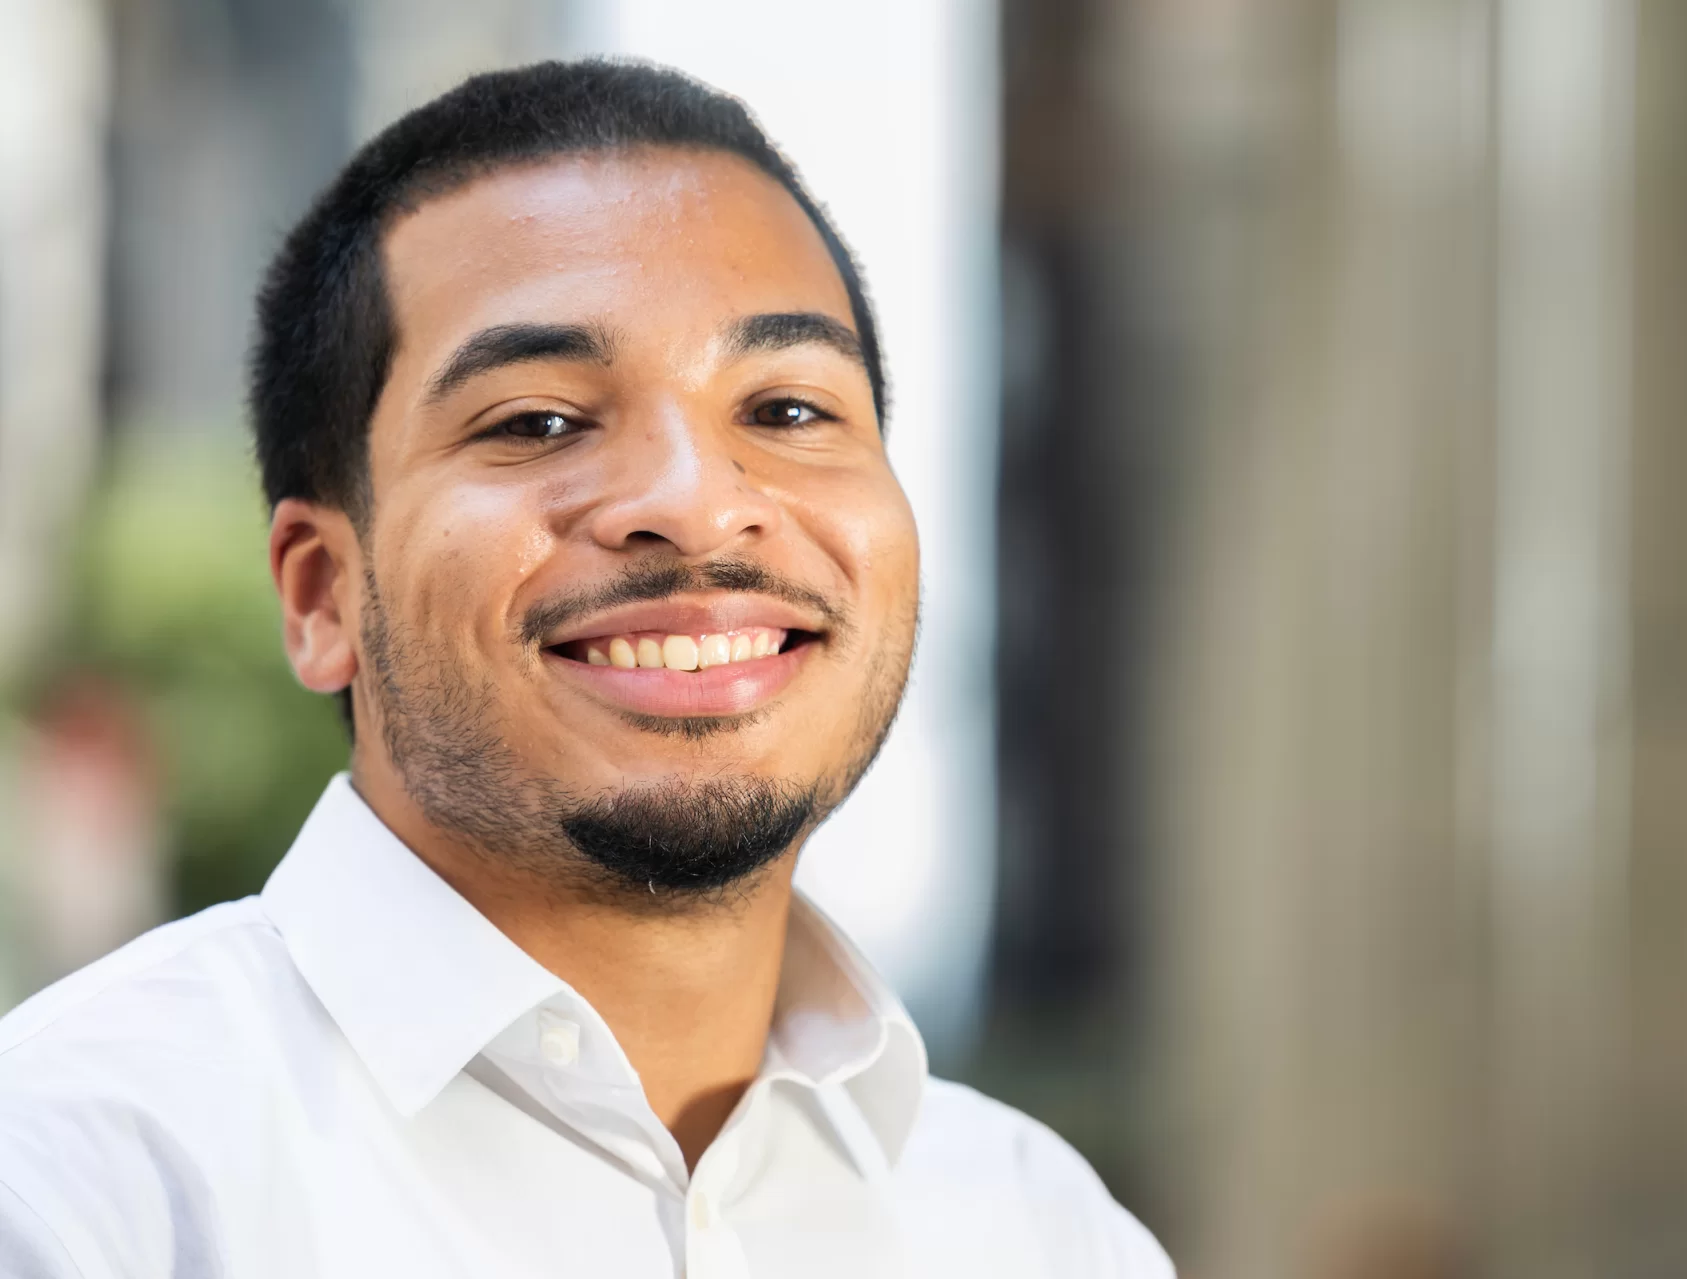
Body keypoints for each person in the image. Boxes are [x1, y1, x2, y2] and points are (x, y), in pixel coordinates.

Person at [0, 60, 1171, 1278]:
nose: (698, 506)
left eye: (785, 410)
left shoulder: (1038, 1228)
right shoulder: (78, 1183)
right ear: (319, 592)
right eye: (539, 421)